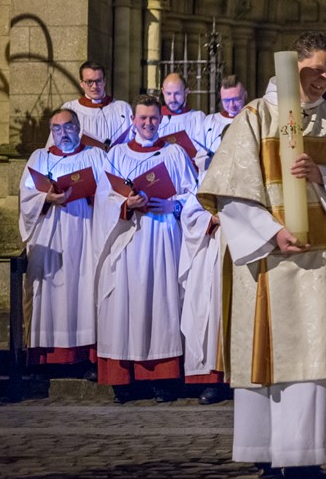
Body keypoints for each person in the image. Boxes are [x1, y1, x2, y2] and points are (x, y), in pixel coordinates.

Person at [197, 31, 326, 479]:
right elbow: (231, 194)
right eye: (315, 71)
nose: (323, 80)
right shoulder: (255, 117)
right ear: (293, 67)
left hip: (324, 259)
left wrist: (324, 174)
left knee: (319, 359)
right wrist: (272, 232)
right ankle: (271, 457)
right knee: (276, 358)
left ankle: (309, 458)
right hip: (272, 260)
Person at [93, 95, 198, 403]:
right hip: (128, 238)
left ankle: (161, 379)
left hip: (162, 236)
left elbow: (194, 195)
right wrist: (125, 203)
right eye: (143, 118)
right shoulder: (117, 154)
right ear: (133, 121)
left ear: (161, 120)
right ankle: (123, 381)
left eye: (153, 118)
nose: (148, 123)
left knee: (160, 302)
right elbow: (103, 195)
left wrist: (172, 203)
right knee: (124, 301)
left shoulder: (175, 153)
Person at [19, 109, 108, 374]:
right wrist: (45, 199)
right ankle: (46, 360)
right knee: (47, 294)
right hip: (49, 235)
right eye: (56, 128)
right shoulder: (40, 157)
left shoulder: (95, 156)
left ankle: (84, 357)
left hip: (85, 231)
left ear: (78, 128)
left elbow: (111, 193)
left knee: (83, 290)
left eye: (68, 127)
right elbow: (25, 196)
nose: (63, 133)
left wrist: (91, 194)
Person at [180, 77, 248, 404]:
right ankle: (213, 380)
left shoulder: (253, 178)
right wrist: (212, 218)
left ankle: (246, 378)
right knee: (212, 315)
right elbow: (190, 213)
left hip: (244, 254)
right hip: (215, 252)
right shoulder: (205, 177)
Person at [58, 61, 132, 148]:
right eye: (89, 82)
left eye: (98, 81)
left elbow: (132, 140)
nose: (94, 86)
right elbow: (58, 142)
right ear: (81, 83)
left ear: (104, 81)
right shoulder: (70, 109)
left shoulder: (122, 108)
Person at [199, 76, 248, 171]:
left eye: (236, 99)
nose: (231, 105)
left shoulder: (252, 119)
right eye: (226, 100)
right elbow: (199, 155)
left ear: (245, 95)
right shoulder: (210, 121)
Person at [158, 72, 207, 166]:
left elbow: (205, 153)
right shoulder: (156, 119)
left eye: (177, 93)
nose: (172, 99)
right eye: (168, 93)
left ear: (186, 92)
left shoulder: (198, 119)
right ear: (163, 91)